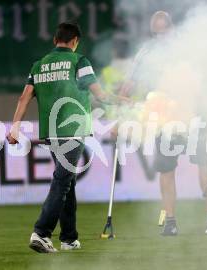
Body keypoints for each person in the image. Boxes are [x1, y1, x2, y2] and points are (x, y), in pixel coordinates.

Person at [7, 21, 126, 253]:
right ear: (75, 41)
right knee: (62, 181)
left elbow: (24, 98)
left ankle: (69, 238)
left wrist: (14, 127)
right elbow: (99, 94)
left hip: (50, 132)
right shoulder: (80, 61)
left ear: (55, 40)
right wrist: (123, 101)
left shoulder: (38, 65)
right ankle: (41, 232)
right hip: (73, 129)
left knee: (67, 181)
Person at [120, 11, 207, 236]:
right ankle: (173, 221)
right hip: (167, 116)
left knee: (202, 164)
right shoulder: (152, 51)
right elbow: (129, 84)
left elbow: (204, 76)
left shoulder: (174, 49)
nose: (162, 36)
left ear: (170, 29)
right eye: (159, 32)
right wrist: (124, 102)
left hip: (188, 113)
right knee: (172, 169)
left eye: (164, 31)